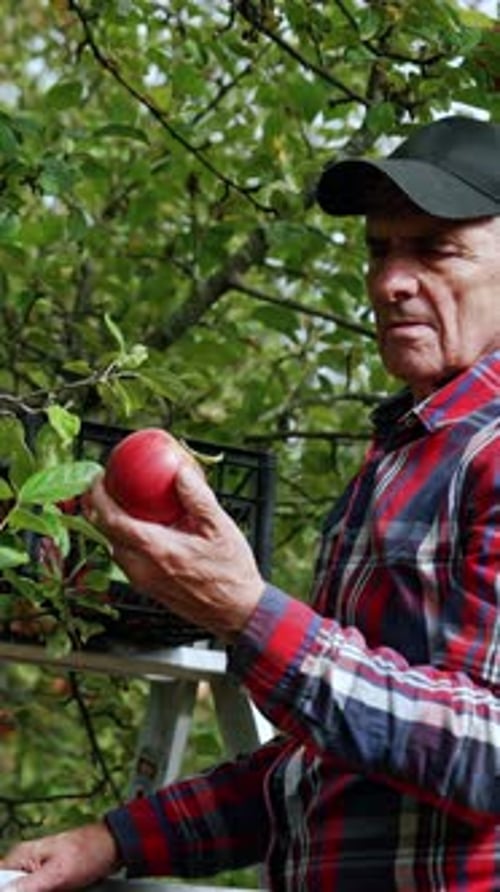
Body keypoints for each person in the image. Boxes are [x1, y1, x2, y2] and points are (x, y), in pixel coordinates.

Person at [1, 114, 499, 891]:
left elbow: (488, 752)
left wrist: (246, 612)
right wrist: (109, 840)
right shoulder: (401, 456)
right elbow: (324, 768)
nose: (387, 281)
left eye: (434, 248)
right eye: (378, 249)